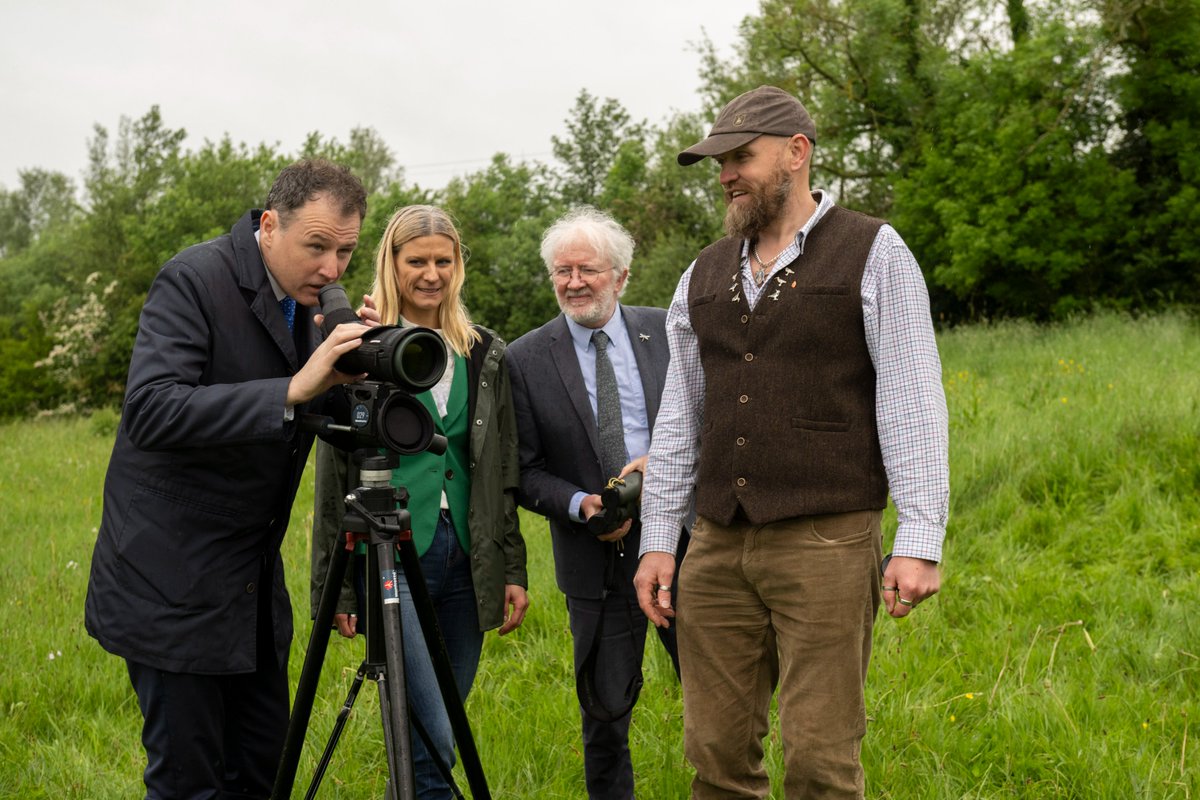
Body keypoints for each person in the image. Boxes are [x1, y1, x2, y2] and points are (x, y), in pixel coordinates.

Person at [633, 85, 950, 799]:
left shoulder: (873, 251)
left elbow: (911, 394)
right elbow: (680, 416)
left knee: (820, 760)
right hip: (714, 545)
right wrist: (660, 537)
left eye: (740, 157)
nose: (725, 176)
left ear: (796, 153)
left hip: (827, 542)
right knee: (713, 754)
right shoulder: (703, 270)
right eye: (720, 163)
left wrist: (919, 536)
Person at [84, 159, 370, 799]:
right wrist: (294, 387)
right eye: (317, 246)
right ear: (270, 226)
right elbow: (151, 408)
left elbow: (305, 410)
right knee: (189, 783)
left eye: (346, 251)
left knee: (262, 773)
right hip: (169, 582)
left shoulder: (311, 303)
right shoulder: (194, 278)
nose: (332, 269)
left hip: (251, 586)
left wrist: (351, 373)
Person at [310, 204, 529, 799]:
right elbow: (334, 477)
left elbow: (500, 471)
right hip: (391, 552)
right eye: (417, 261)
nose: (431, 273)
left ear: (458, 265)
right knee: (433, 730)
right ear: (392, 263)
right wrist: (338, 584)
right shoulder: (361, 345)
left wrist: (511, 567)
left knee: (433, 740)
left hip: (467, 558)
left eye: (443, 260)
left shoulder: (483, 351)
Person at [507, 206, 689, 800]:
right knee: (605, 713)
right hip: (595, 560)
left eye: (587, 269)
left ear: (621, 275)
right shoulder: (526, 358)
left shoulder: (668, 331)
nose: (574, 282)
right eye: (562, 271)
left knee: (719, 694)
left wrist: (660, 467)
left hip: (686, 547)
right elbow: (524, 470)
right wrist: (583, 504)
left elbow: (708, 427)